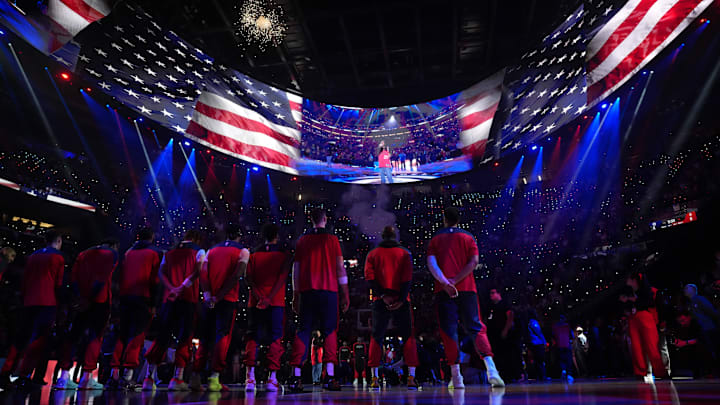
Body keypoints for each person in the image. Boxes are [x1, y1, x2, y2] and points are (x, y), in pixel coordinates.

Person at [426, 207, 504, 389]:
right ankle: (492, 371)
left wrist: (446, 282)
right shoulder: (468, 237)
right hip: (467, 289)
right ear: (458, 220)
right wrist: (457, 280)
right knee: (476, 328)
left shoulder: (435, 239)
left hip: (444, 291)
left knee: (448, 331)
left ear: (444, 220)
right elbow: (474, 262)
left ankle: (456, 377)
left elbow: (431, 264)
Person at [288, 208, 349, 392]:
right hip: (329, 291)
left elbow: (295, 270)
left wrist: (295, 294)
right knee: (330, 331)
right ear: (325, 219)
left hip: (307, 291)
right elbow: (340, 268)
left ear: (311, 220)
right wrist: (345, 292)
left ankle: (295, 377)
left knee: (303, 331)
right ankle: (329, 377)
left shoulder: (302, 241)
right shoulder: (332, 240)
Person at [142, 230, 205, 391]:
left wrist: (171, 288)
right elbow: (197, 272)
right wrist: (181, 287)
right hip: (187, 298)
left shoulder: (169, 252)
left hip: (169, 299)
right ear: (196, 239)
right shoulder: (199, 251)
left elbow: (161, 273)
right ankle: (177, 378)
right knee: (185, 337)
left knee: (162, 336)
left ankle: (149, 379)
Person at [55, 238, 120, 390]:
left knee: (73, 337)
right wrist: (90, 298)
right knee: (95, 337)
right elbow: (102, 278)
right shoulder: (112, 254)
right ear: (113, 245)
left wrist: (80, 297)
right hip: (99, 301)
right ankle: (86, 378)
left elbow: (74, 277)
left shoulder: (83, 254)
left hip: (81, 300)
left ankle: (64, 377)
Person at [364, 225, 419, 390]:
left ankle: (374, 378)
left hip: (380, 300)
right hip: (401, 299)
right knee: (408, 336)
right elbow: (407, 278)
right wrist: (401, 299)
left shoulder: (372, 254)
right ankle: (411, 377)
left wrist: (383, 296)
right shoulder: (405, 253)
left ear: (382, 236)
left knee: (377, 336)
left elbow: (370, 278)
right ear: (395, 236)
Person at [196, 224, 250, 392]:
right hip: (226, 300)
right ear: (239, 236)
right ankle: (214, 378)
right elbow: (238, 275)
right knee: (222, 337)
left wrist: (208, 296)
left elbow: (203, 275)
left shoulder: (211, 251)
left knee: (205, 337)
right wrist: (219, 297)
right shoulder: (243, 251)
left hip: (209, 300)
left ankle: (195, 377)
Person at [108, 227, 163, 391]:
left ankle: (114, 374)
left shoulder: (128, 252)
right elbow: (156, 280)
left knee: (122, 335)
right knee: (137, 336)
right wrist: (154, 304)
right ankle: (128, 376)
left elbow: (120, 275)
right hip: (143, 298)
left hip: (125, 297)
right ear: (152, 237)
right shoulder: (156, 253)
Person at [12, 230, 65, 391]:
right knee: (41, 341)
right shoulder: (58, 257)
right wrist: (61, 307)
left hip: (29, 301)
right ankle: (29, 376)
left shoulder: (33, 255)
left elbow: (25, 280)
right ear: (58, 241)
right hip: (47, 303)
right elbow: (58, 284)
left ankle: (15, 374)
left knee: (23, 338)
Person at [244, 223, 291, 392]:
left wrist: (260, 297)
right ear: (276, 236)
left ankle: (250, 378)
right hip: (275, 303)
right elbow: (282, 278)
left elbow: (248, 278)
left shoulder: (253, 254)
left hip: (255, 302)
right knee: (275, 338)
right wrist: (269, 298)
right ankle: (272, 379)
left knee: (252, 337)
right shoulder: (284, 255)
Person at [620, 272, 668, 383]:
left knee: (651, 345)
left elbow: (649, 303)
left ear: (634, 279)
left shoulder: (647, 290)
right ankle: (640, 372)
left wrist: (632, 300)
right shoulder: (628, 291)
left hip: (645, 316)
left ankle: (660, 372)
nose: (626, 280)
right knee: (636, 347)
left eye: (628, 278)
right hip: (633, 318)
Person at [486, 288, 520, 381]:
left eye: (493, 293)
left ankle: (511, 375)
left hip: (505, 336)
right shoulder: (492, 307)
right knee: (498, 356)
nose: (491, 295)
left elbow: (510, 315)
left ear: (499, 294)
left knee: (507, 355)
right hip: (495, 336)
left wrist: (505, 330)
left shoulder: (505, 304)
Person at [683, 284, 720, 364]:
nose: (684, 289)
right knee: (706, 349)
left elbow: (711, 311)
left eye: (687, 288)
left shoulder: (700, 299)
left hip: (708, 328)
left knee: (711, 348)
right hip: (701, 329)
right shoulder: (690, 303)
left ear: (693, 290)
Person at [671, 309, 703, 378]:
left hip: (693, 347)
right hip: (682, 347)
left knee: (699, 349)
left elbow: (700, 339)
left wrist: (685, 343)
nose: (682, 323)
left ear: (689, 317)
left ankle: (699, 372)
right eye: (680, 322)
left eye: (683, 320)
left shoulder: (695, 324)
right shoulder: (678, 326)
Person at [551, 314, 573, 383]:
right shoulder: (567, 326)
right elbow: (571, 335)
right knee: (568, 359)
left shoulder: (555, 326)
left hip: (559, 345)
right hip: (567, 344)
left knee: (561, 359)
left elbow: (553, 335)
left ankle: (563, 370)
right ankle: (569, 374)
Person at [527, 310, 548, 381]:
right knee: (540, 361)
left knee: (537, 361)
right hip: (538, 343)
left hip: (534, 343)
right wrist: (544, 342)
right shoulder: (533, 322)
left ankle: (539, 376)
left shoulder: (528, 323)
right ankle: (542, 376)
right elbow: (538, 332)